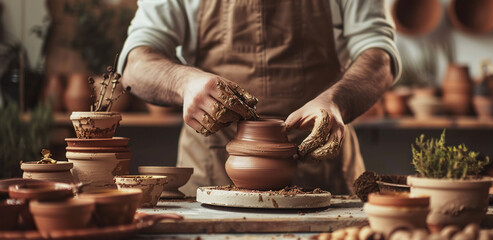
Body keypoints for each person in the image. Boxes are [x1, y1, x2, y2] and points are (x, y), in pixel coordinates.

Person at [118, 0, 401, 196]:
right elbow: (136, 65)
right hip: (218, 165)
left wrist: (336, 102)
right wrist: (184, 82)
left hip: (321, 161)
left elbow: (379, 55)